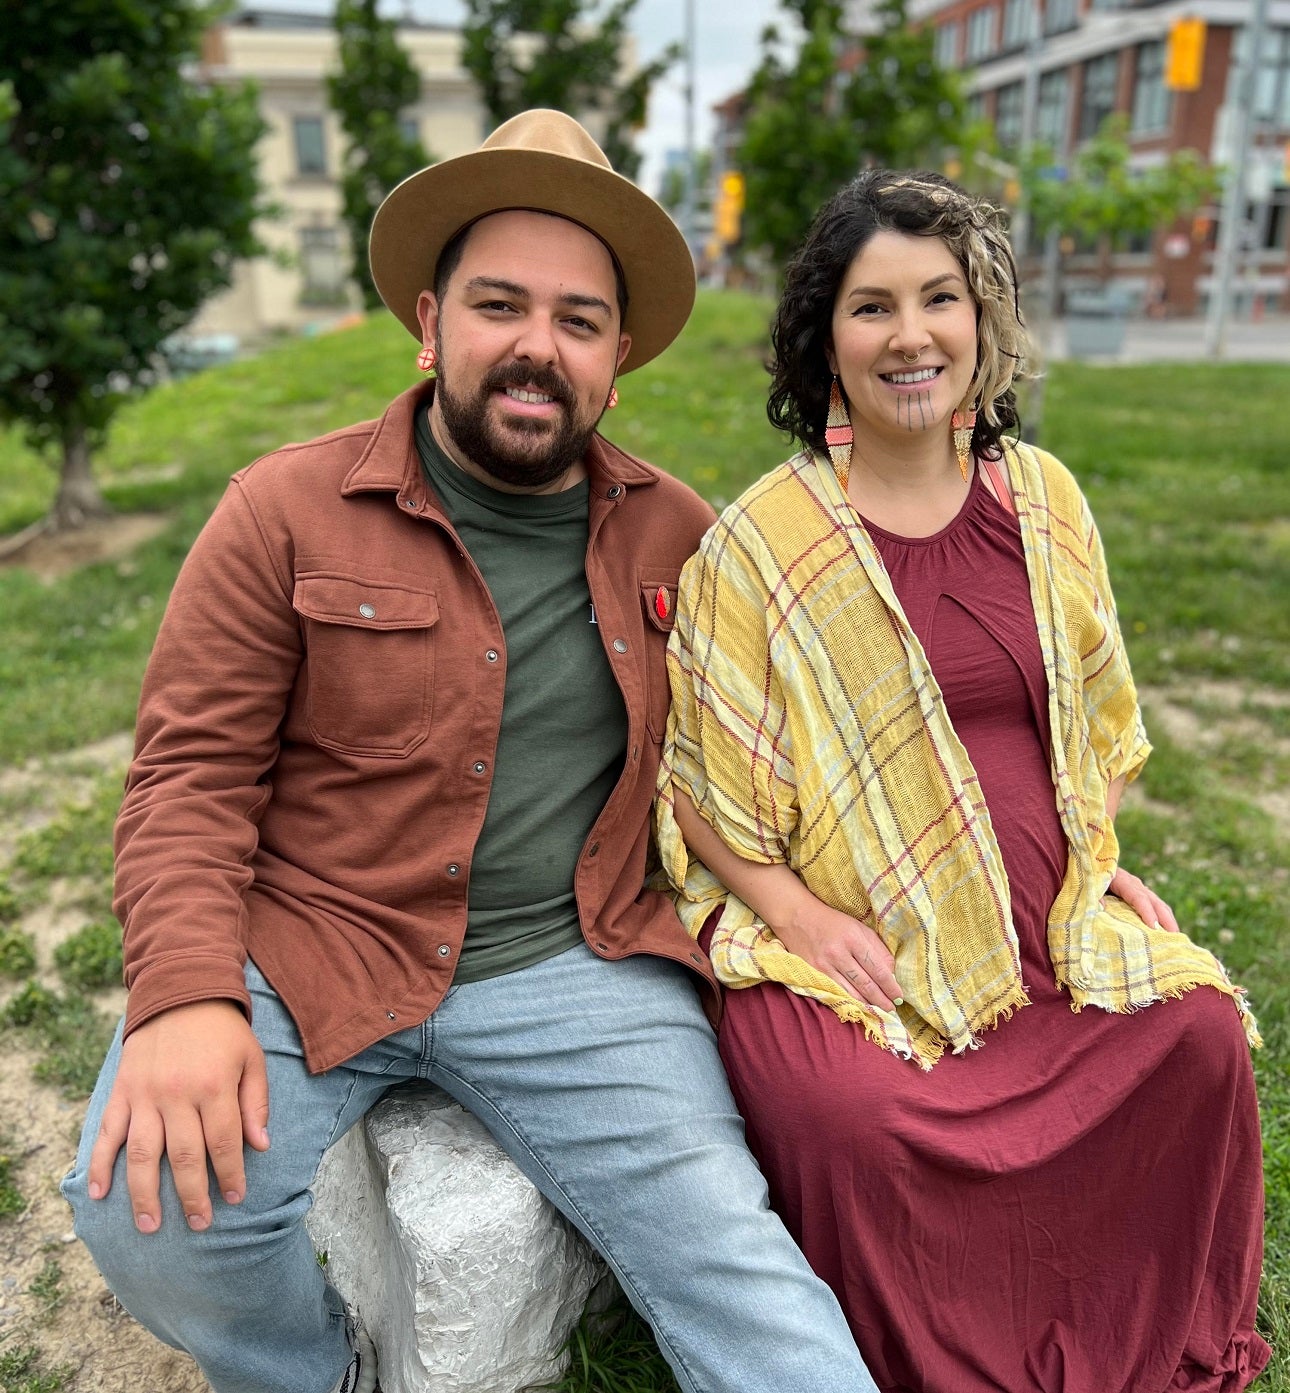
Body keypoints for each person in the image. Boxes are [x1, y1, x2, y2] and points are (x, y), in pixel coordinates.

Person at [61, 111, 884, 1393]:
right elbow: (188, 777)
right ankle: (311, 1375)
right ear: (431, 321)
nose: (534, 346)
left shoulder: (686, 536)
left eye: (576, 319)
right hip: (309, 938)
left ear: (618, 360)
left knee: (739, 1268)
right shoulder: (280, 510)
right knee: (149, 1207)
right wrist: (183, 991)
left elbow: (818, 745)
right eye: (500, 304)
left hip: (581, 961)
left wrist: (1067, 850)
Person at [655, 169, 1268, 1393]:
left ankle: (1131, 1326)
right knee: (856, 1124)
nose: (911, 334)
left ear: (981, 321)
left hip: (1039, 930)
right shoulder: (761, 546)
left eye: (941, 297)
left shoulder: (1044, 504)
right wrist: (802, 918)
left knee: (1199, 1038)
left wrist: (1100, 862)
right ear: (824, 339)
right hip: (849, 933)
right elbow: (702, 791)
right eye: (872, 306)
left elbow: (1084, 728)